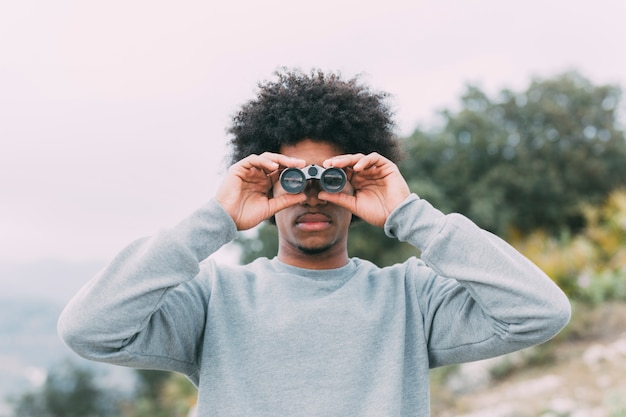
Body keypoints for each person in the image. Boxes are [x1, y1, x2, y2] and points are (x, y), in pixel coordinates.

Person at [58, 68, 571, 417]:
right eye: (290, 179)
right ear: (263, 183)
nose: (311, 197)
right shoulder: (214, 297)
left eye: (330, 179)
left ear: (357, 182)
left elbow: (541, 312)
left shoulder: (411, 298)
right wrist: (215, 218)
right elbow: (89, 330)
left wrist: (410, 214)